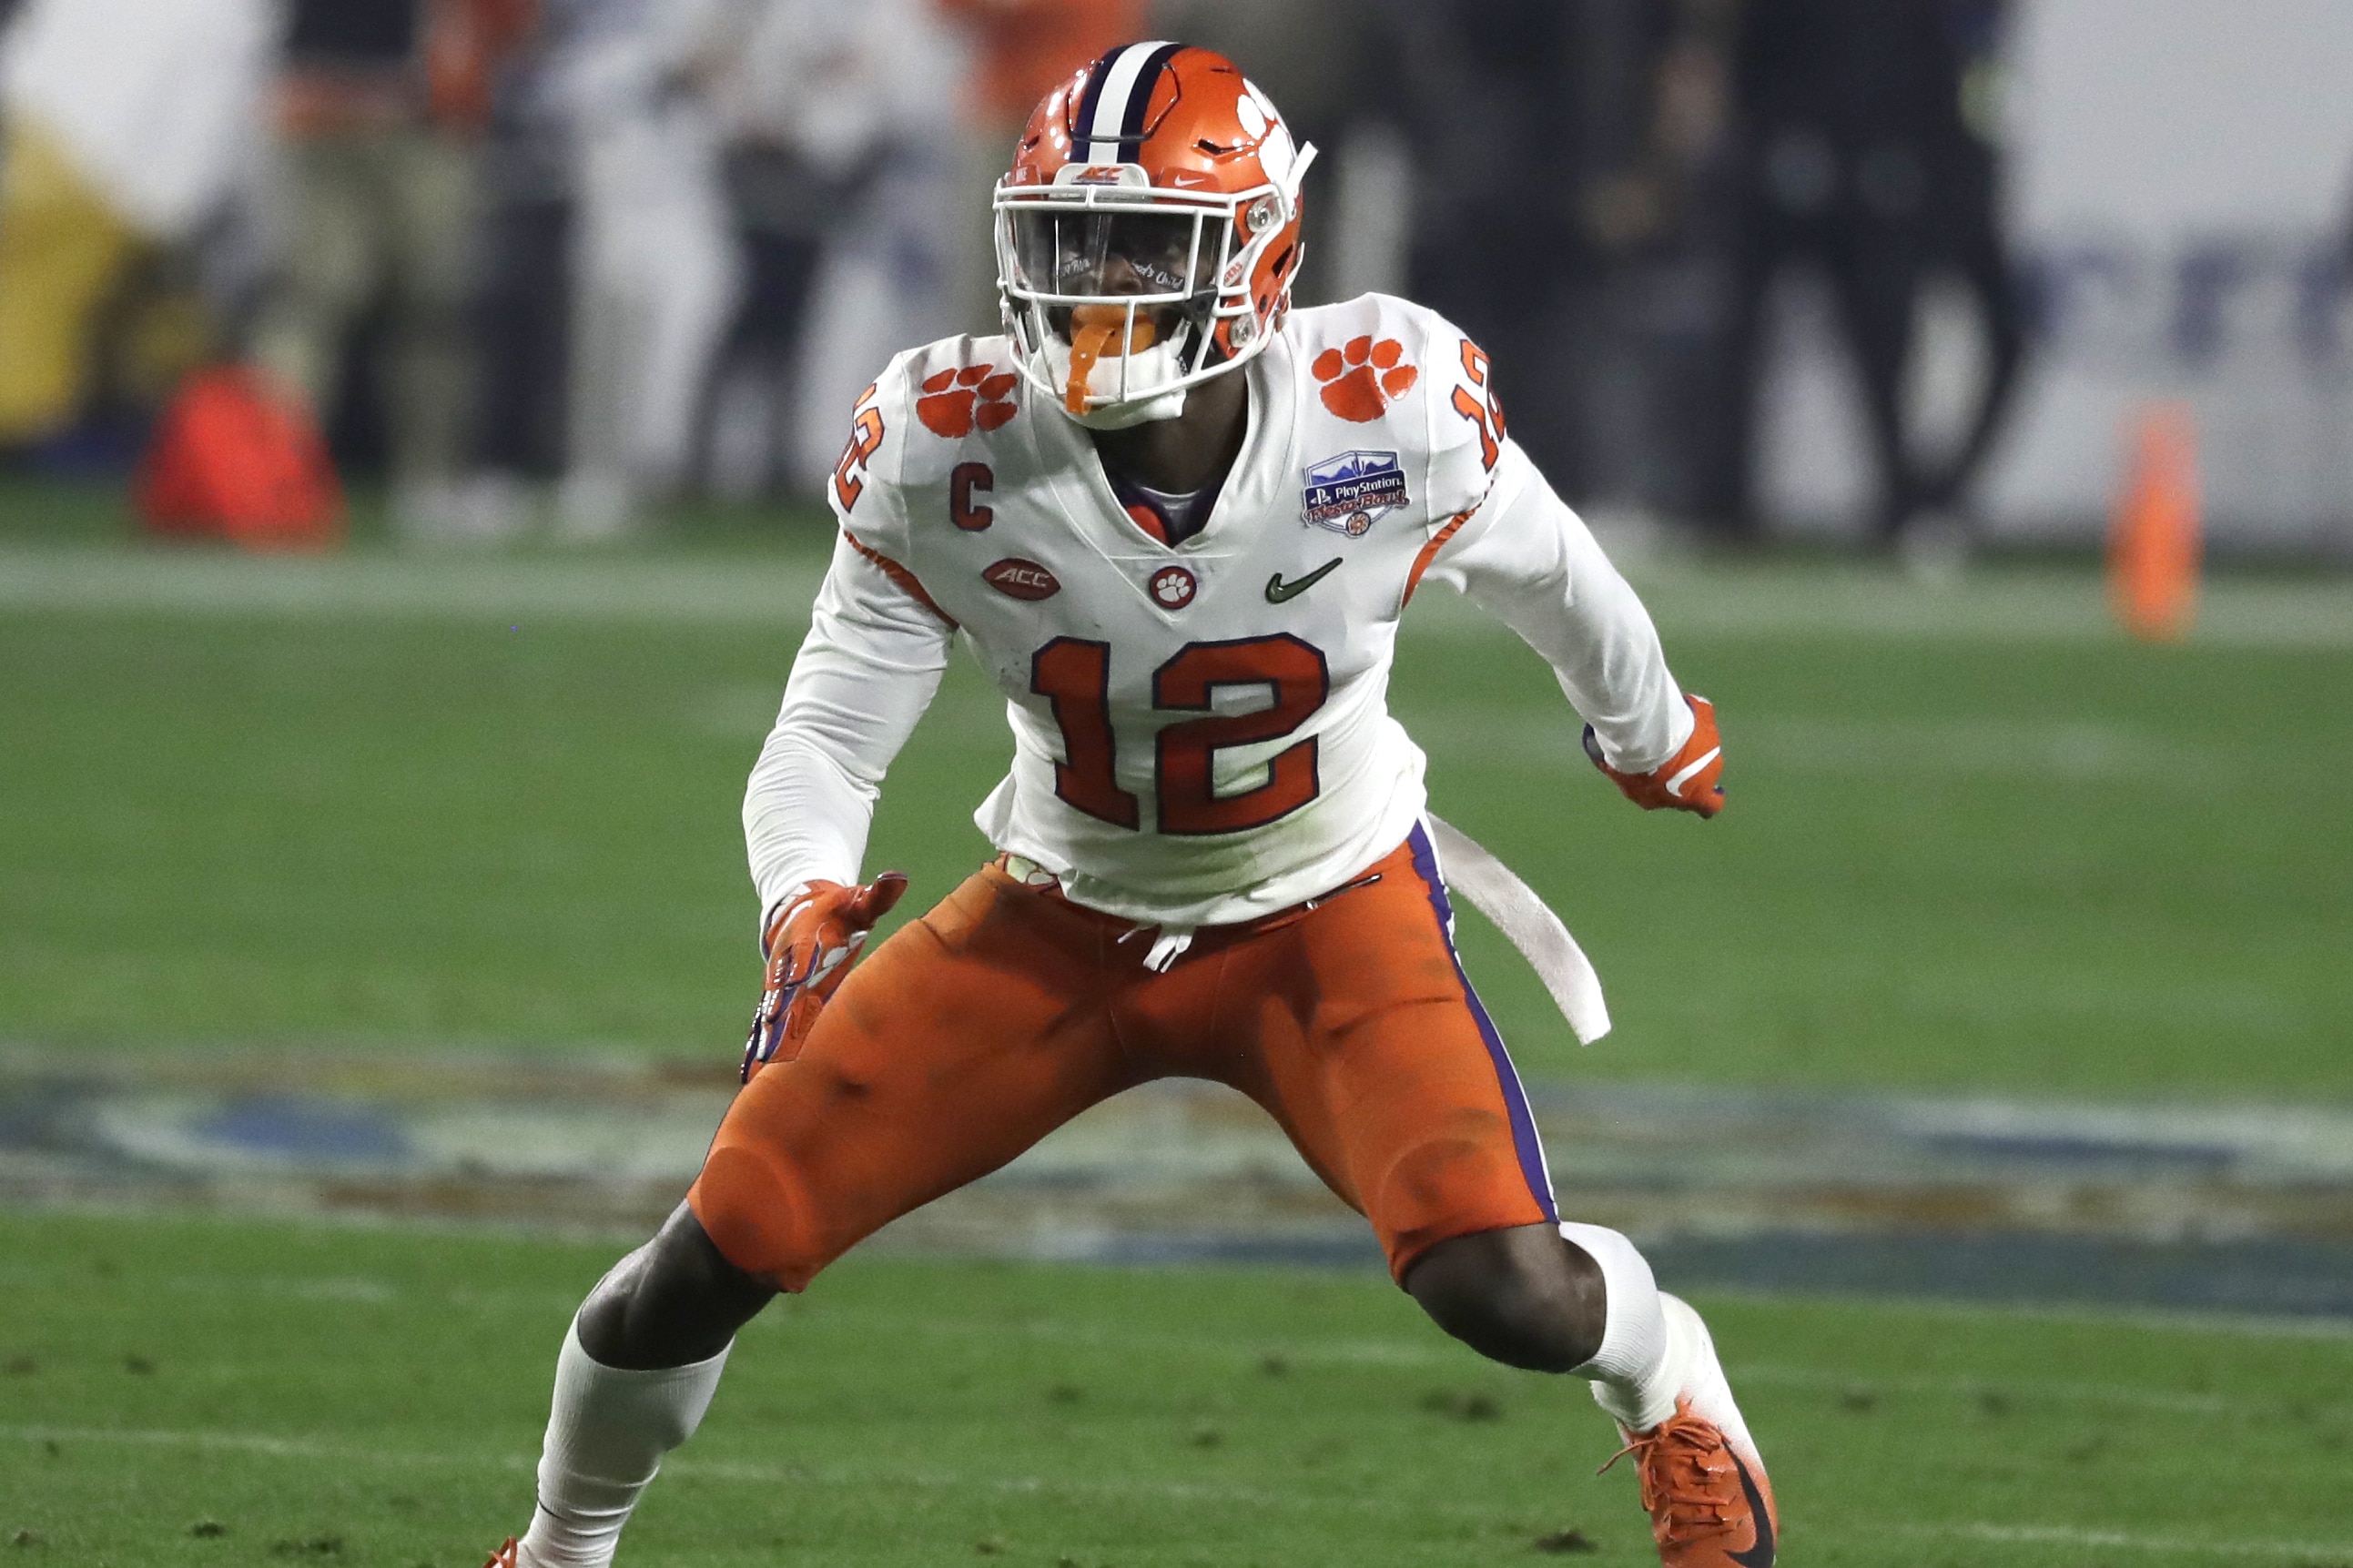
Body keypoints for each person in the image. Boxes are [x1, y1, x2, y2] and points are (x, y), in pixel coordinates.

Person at [485, 43, 1773, 1568]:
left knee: (1506, 1290)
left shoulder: (1383, 403)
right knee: (717, 1247)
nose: (1093, 285)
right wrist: (800, 891)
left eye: (1140, 247)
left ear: (1260, 250)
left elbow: (1553, 571)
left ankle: (1666, 1370)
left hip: (1326, 914)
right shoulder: (944, 437)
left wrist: (1646, 728)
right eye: (1066, 241)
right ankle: (555, 1555)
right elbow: (826, 734)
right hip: (1057, 924)